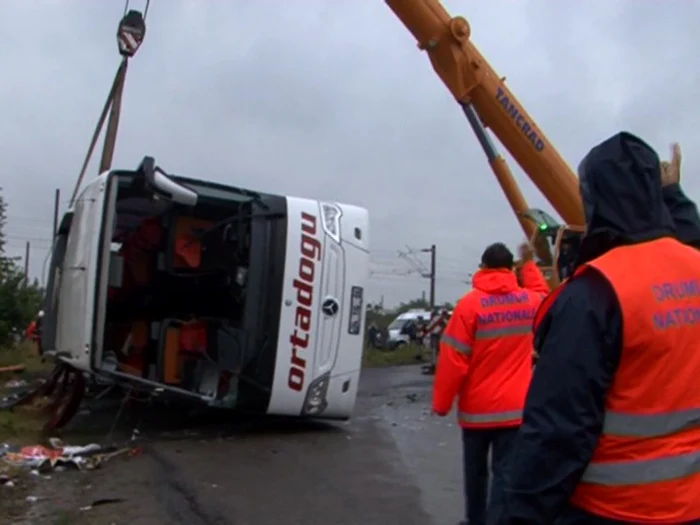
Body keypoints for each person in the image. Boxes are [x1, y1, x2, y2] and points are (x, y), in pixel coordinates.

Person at [495, 132, 700, 525]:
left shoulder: (597, 292)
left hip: (613, 509)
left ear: (594, 200)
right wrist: (674, 196)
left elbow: (557, 434)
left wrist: (516, 515)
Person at [432, 241, 549, 525]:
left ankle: (475, 520)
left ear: (482, 267)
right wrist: (530, 264)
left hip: (476, 411)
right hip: (514, 410)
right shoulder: (529, 302)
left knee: (475, 473)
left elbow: (453, 359)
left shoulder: (468, 306)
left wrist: (441, 404)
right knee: (505, 474)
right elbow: (545, 295)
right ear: (511, 269)